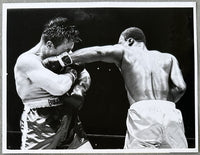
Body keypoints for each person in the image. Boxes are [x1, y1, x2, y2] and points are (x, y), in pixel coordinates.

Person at [43, 27, 188, 149]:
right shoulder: (169, 58)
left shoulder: (125, 51)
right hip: (171, 112)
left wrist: (60, 61)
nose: (118, 46)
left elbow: (99, 52)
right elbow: (181, 87)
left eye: (120, 43)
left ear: (129, 41)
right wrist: (160, 103)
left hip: (143, 113)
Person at [14, 17, 93, 149]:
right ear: (49, 44)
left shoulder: (63, 56)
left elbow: (85, 74)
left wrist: (79, 90)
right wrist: (73, 72)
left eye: (70, 49)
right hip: (40, 122)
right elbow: (59, 87)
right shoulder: (27, 60)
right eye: (66, 50)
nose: (69, 54)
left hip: (68, 116)